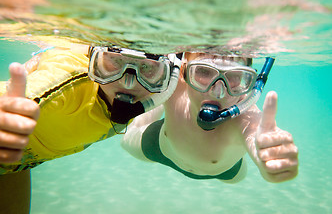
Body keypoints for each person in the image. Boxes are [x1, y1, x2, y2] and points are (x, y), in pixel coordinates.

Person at [0, 42, 181, 213]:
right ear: (94, 59)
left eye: (147, 67)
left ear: (167, 76)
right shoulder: (73, 79)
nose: (128, 83)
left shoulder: (142, 97)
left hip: (17, 164)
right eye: (115, 61)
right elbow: (29, 93)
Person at [121, 51, 299, 183]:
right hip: (161, 149)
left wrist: (268, 156)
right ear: (183, 72)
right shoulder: (175, 83)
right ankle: (156, 103)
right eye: (204, 72)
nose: (218, 92)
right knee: (126, 139)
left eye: (235, 76)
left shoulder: (246, 115)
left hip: (226, 172)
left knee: (238, 179)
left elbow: (256, 133)